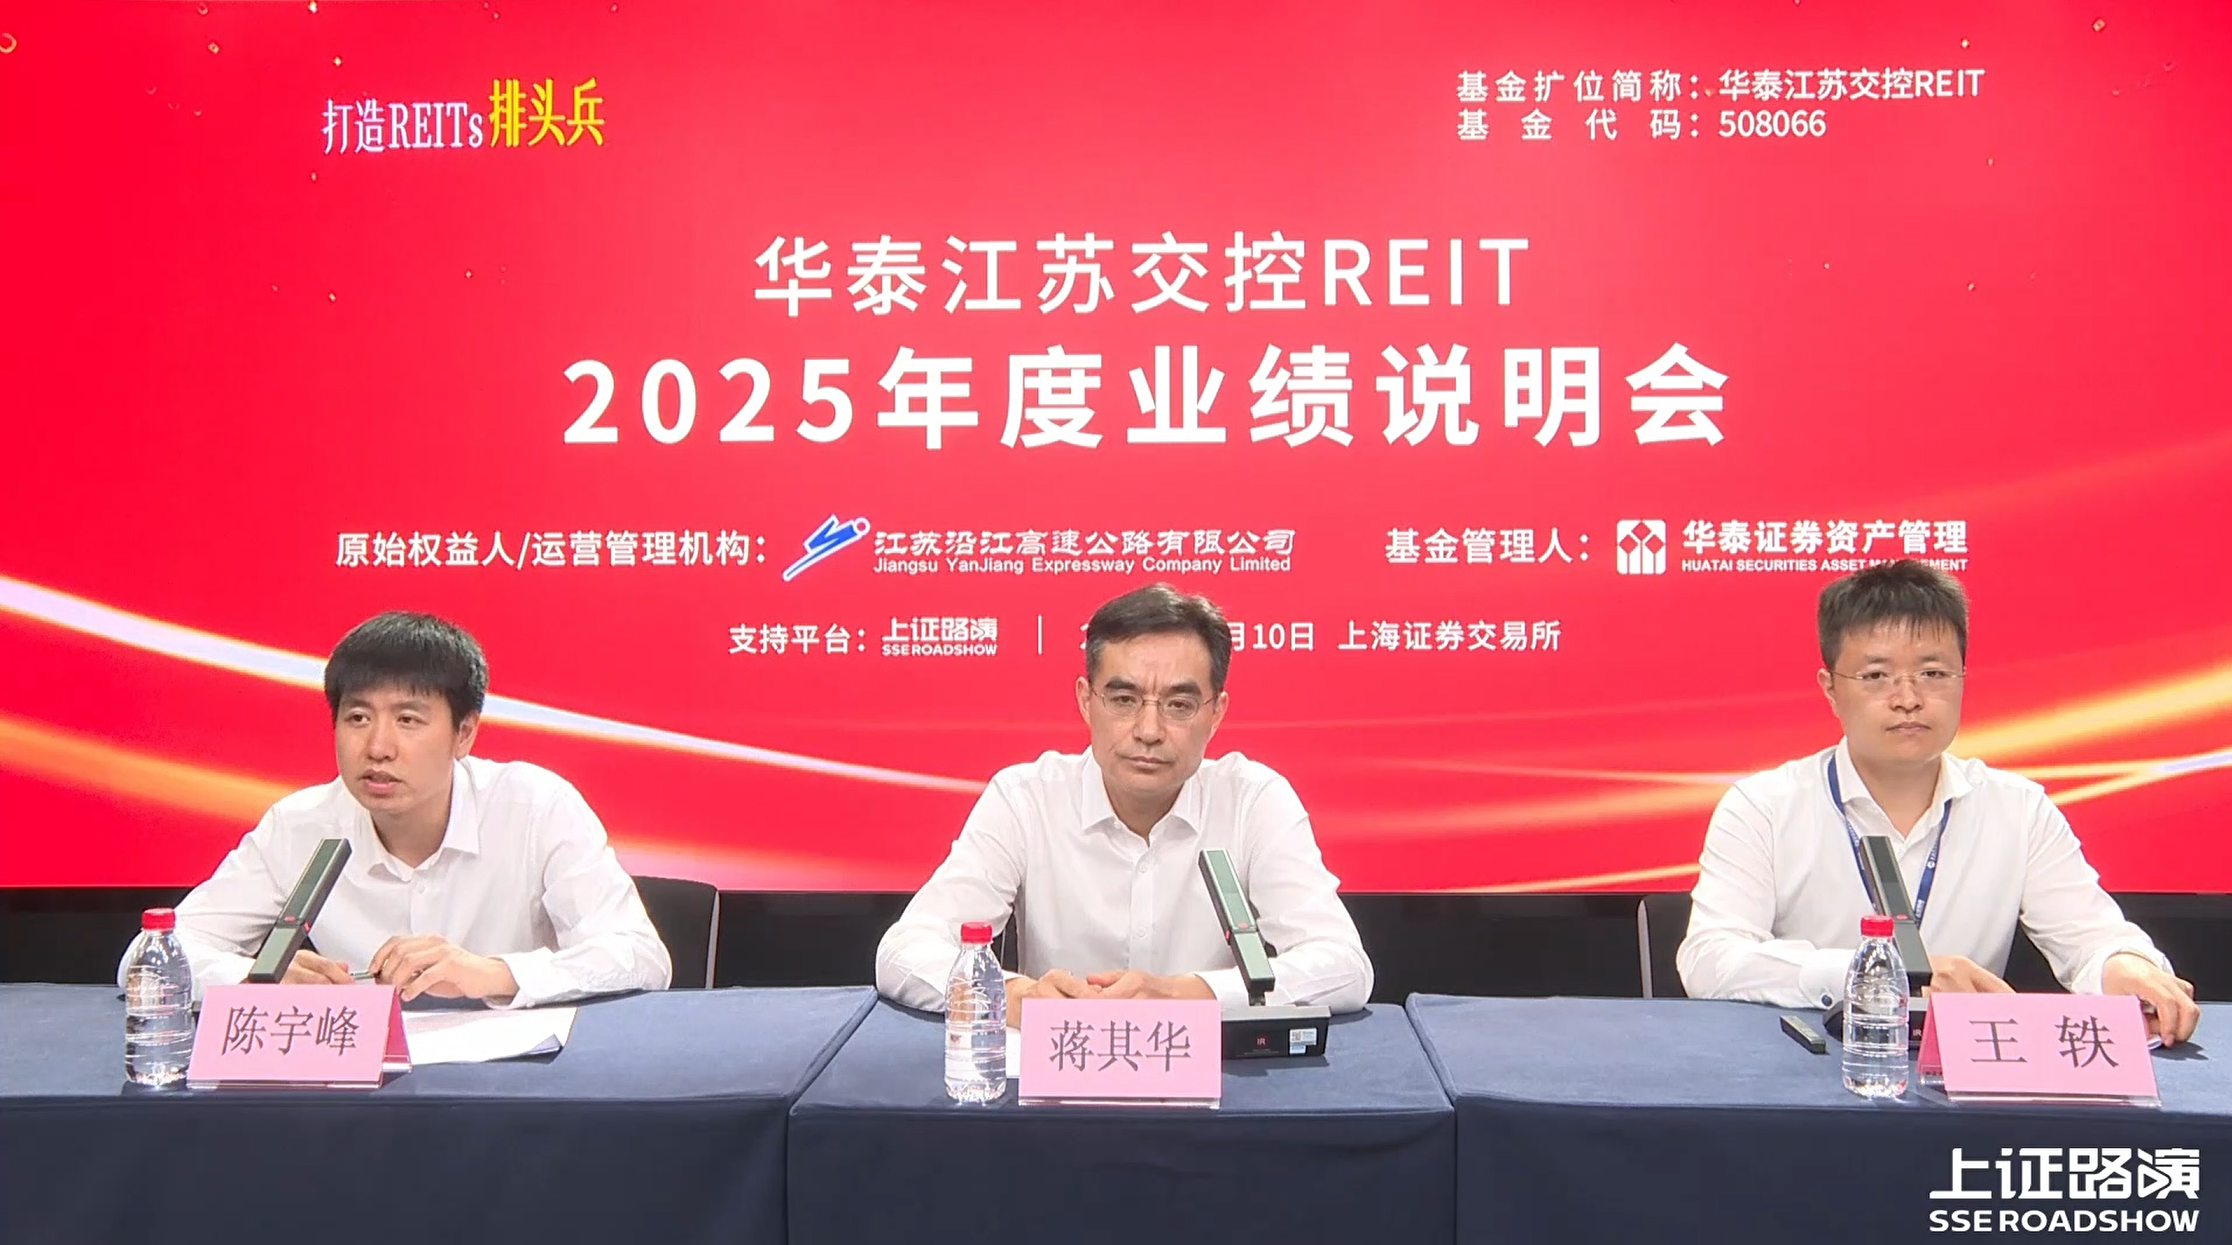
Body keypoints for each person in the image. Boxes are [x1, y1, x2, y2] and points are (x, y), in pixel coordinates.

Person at [1677, 561, 2198, 1045]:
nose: (1908, 698)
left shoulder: (2018, 810)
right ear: (1830, 689)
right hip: (1805, 1069)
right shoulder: (1763, 807)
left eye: (1932, 673)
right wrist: (1874, 973)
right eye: (1876, 676)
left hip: (1967, 1078)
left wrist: (2126, 965)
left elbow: (2092, 938)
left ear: (1962, 679)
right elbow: (1710, 960)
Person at [122, 611, 671, 1007]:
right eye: (358, 718)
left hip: (515, 1091)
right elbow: (147, 960)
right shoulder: (301, 825)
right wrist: (254, 978)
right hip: (355, 1092)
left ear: (464, 733)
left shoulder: (535, 807)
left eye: (408, 720)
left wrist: (495, 973)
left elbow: (641, 955)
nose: (378, 747)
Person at [876, 584, 1372, 1021]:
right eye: (1124, 700)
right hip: (1059, 1074)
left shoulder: (1252, 801)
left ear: (1216, 713)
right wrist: (1011, 995)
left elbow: (1344, 965)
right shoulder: (1026, 799)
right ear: (1086, 701)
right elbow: (904, 952)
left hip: (1215, 1082)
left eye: (1179, 705)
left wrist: (1186, 995)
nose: (1149, 731)